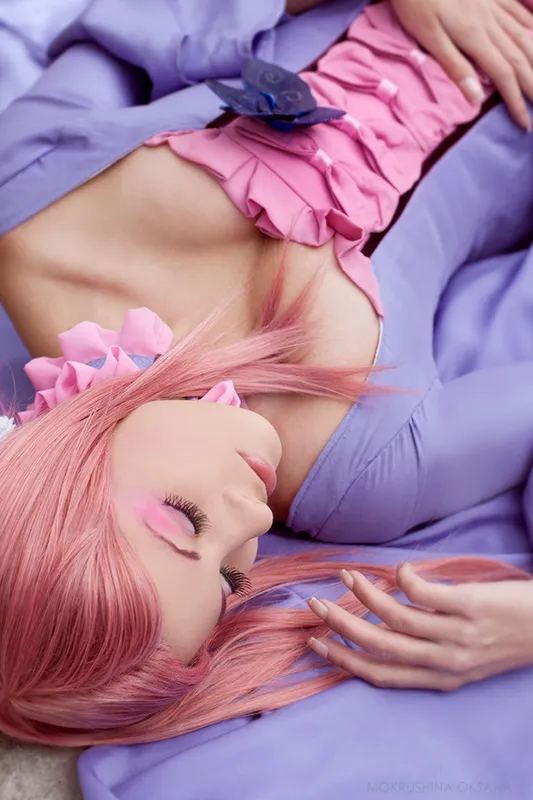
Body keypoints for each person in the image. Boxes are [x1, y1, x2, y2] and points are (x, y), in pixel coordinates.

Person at [1, 0, 533, 748]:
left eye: (185, 520)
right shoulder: (356, 473)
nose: (255, 523)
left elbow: (137, 24)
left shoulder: (31, 210)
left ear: (64, 472)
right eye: (231, 580)